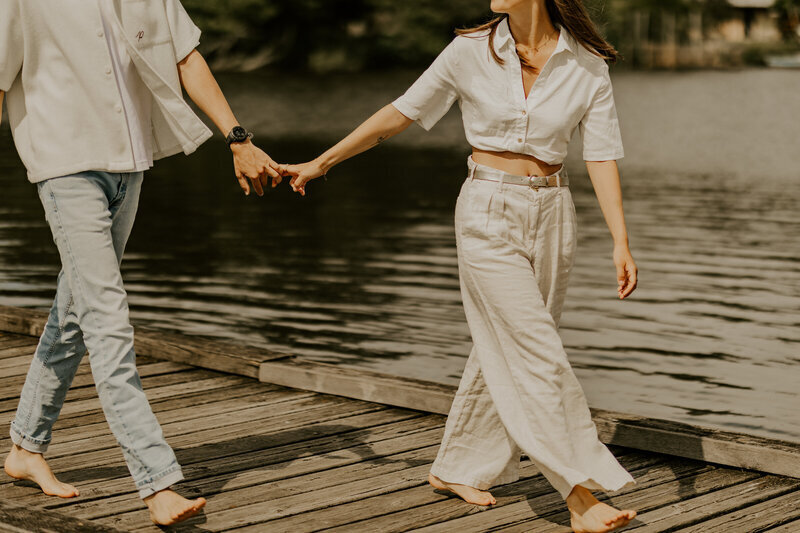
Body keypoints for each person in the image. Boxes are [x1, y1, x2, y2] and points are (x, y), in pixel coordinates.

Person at [279, 1, 639, 531]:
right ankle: (579, 494)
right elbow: (399, 113)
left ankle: (457, 467)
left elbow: (601, 154)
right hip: (487, 211)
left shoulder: (587, 63)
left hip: (554, 213)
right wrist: (321, 162)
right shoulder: (470, 50)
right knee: (537, 352)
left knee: (507, 344)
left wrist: (621, 240)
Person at [0, 0, 280, 525]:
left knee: (75, 313)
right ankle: (159, 483)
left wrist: (237, 138)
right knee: (107, 322)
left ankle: (24, 448)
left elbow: (184, 55)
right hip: (65, 166)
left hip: (131, 166)